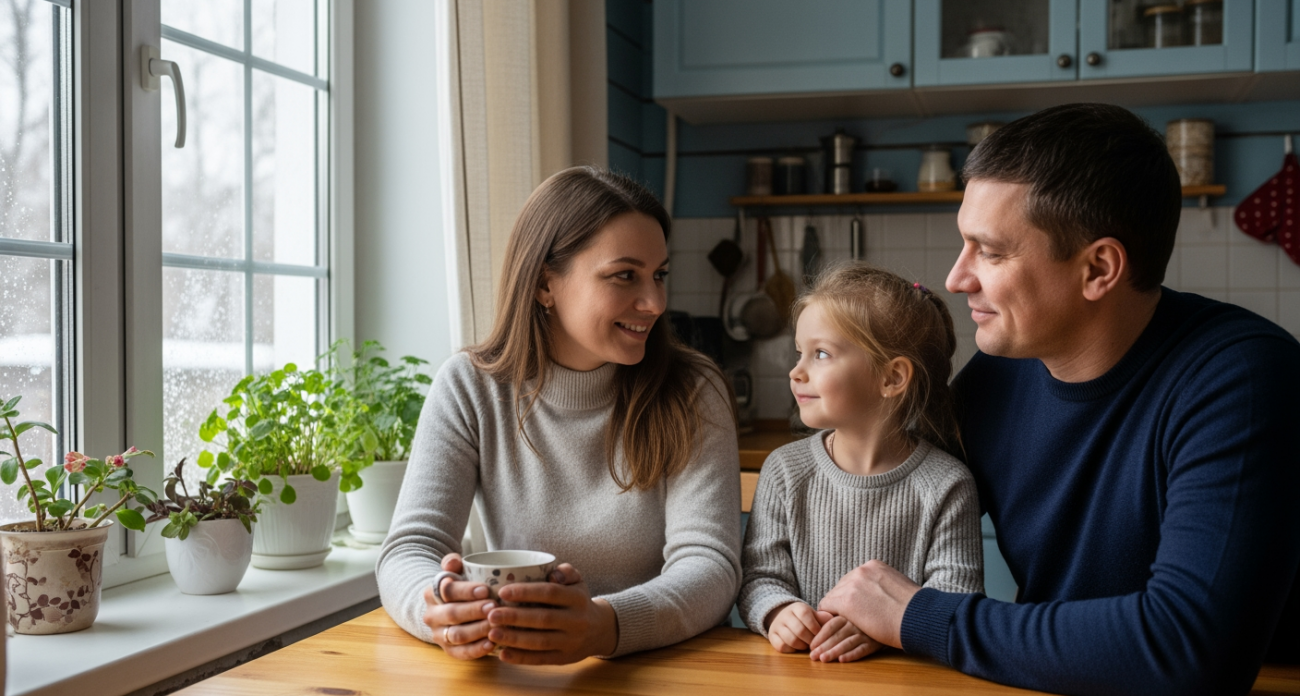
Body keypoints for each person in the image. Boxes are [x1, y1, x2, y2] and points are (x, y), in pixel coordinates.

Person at [817, 103, 1300, 695]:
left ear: (1099, 268)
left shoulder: (1243, 379)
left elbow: (1188, 649)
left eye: (990, 252)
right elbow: (891, 512)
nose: (956, 278)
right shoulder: (998, 372)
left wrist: (916, 617)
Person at [375, 166, 742, 664]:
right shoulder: (469, 387)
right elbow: (409, 550)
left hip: (664, 666)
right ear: (547, 283)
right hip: (515, 669)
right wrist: (440, 609)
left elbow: (712, 565)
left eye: (659, 275)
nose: (655, 302)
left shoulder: (692, 390)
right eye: (624, 275)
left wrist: (606, 627)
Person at [739, 264, 983, 663]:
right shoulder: (784, 470)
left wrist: (887, 627)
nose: (796, 371)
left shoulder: (948, 484)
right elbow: (760, 578)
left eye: (820, 354)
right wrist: (778, 611)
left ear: (892, 378)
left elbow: (956, 598)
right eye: (799, 352)